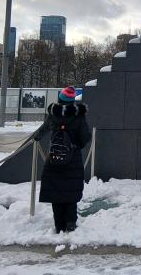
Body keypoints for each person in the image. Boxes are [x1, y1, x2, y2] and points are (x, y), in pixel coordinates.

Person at [33, 86, 91, 233]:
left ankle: (59, 225)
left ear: (60, 99)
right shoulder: (79, 115)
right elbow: (86, 136)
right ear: (72, 101)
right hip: (73, 158)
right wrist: (76, 145)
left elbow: (43, 130)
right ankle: (70, 223)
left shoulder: (53, 114)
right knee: (71, 191)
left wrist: (36, 138)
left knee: (56, 191)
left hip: (54, 157)